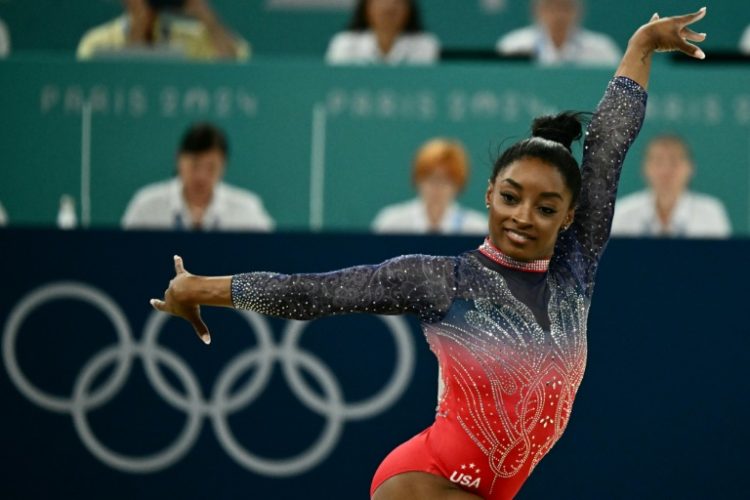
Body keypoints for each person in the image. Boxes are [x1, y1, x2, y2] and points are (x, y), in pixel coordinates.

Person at [150, 8, 708, 499]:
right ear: (488, 194)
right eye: (510, 198)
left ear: (569, 217)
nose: (521, 217)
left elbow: (607, 148)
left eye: (544, 207)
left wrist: (639, 48)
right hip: (422, 483)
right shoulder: (446, 281)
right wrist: (197, 288)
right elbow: (315, 293)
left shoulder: (576, 264)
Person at [122, 122, 273, 231]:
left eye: (211, 167)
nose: (201, 176)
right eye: (194, 165)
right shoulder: (146, 206)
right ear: (178, 159)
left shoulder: (247, 210)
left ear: (224, 165)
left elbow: (269, 262)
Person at [611, 134, 731, 237]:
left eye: (674, 161)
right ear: (645, 168)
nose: (665, 170)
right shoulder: (623, 213)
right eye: (658, 161)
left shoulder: (710, 213)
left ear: (690, 168)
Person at [372, 138, 487, 234]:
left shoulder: (476, 228)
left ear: (458, 184)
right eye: (430, 178)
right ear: (417, 179)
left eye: (446, 180)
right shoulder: (391, 223)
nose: (437, 187)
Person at [77, 0, 249, 61]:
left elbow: (236, 67)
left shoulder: (193, 38)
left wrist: (205, 15)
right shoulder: (96, 42)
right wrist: (138, 25)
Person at [496, 0, 621, 66]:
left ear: (578, 10)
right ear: (537, 10)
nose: (559, 15)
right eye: (551, 6)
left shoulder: (603, 49)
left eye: (565, 6)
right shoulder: (512, 46)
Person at [326, 0, 439, 65]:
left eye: (397, 2)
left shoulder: (425, 44)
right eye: (380, 1)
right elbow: (336, 82)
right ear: (366, 8)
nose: (388, 7)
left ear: (409, 9)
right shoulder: (344, 43)